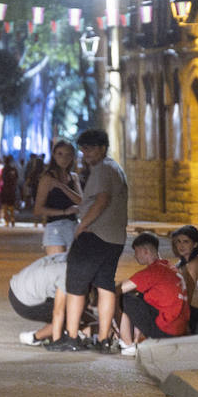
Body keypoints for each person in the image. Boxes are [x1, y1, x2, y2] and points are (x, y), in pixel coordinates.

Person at [47, 129, 128, 352]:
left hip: (95, 235)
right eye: (84, 148)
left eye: (91, 148)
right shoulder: (115, 168)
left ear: (103, 148)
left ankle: (72, 337)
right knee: (105, 285)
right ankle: (103, 339)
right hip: (114, 238)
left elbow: (101, 200)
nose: (86, 153)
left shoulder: (102, 170)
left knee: (75, 285)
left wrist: (82, 225)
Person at [115, 232, 189, 355]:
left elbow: (119, 290)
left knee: (123, 298)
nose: (135, 256)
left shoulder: (153, 271)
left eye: (136, 252)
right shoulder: (168, 266)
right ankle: (137, 339)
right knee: (140, 297)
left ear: (145, 251)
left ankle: (127, 345)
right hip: (178, 329)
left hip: (165, 331)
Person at [9, 251, 68, 345]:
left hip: (14, 288)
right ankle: (34, 337)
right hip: (24, 303)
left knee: (76, 309)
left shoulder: (64, 257)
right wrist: (58, 343)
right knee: (73, 315)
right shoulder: (67, 272)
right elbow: (58, 312)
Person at [34, 140, 81, 255]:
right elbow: (38, 209)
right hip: (55, 228)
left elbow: (81, 201)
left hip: (73, 227)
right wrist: (64, 212)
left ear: (72, 157)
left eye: (68, 154)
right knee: (57, 269)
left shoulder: (73, 177)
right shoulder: (47, 178)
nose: (64, 158)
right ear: (54, 155)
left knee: (73, 270)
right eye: (60, 154)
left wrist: (62, 186)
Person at [0, 154, 20, 227]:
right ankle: (12, 218)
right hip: (12, 189)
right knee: (11, 205)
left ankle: (7, 221)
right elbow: (17, 178)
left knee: (5, 205)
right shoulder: (14, 169)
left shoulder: (4, 169)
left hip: (5, 188)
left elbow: (3, 178)